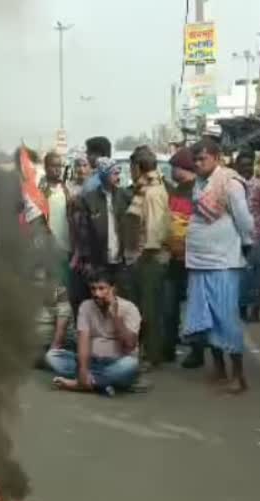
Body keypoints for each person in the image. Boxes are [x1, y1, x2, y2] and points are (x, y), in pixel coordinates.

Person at [182, 139, 255, 393]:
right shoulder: (200, 183)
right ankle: (219, 368)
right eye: (196, 160)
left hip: (223, 261)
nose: (199, 163)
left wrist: (247, 244)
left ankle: (238, 374)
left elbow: (245, 220)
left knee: (226, 317)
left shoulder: (230, 183)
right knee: (206, 318)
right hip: (199, 260)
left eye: (203, 159)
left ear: (217, 157)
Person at [47, 267, 141, 394]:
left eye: (102, 288)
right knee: (52, 356)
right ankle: (98, 382)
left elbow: (130, 345)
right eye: (93, 289)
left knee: (130, 365)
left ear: (113, 289)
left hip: (116, 363)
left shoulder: (129, 308)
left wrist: (115, 316)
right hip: (91, 361)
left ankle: (80, 384)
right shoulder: (86, 307)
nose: (97, 293)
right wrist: (83, 370)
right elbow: (83, 341)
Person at [125, 145, 172, 368]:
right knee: (148, 308)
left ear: (138, 167)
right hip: (148, 257)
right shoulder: (149, 188)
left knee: (150, 310)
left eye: (132, 167)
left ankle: (153, 356)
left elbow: (153, 233)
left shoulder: (152, 193)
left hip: (151, 258)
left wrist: (140, 259)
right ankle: (150, 353)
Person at [73, 158, 132, 289]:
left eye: (119, 173)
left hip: (121, 259)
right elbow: (84, 233)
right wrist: (86, 260)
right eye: (114, 173)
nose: (118, 177)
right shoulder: (89, 199)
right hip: (99, 260)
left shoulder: (125, 196)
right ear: (104, 175)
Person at [165, 148, 197, 364]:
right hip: (175, 256)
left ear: (182, 168)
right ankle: (172, 341)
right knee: (173, 302)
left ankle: (195, 348)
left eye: (173, 167)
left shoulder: (196, 192)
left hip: (192, 257)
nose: (171, 171)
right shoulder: (178, 190)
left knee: (193, 304)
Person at [236, 151, 260, 323]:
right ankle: (241, 309)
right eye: (242, 165)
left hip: (257, 237)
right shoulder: (232, 186)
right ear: (237, 167)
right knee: (242, 274)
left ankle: (255, 310)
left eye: (249, 165)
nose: (246, 168)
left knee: (258, 276)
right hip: (237, 238)